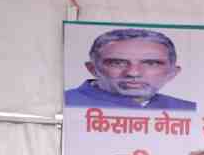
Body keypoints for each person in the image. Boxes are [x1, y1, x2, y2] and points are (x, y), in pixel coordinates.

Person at [64, 28, 196, 110]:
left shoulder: (188, 109)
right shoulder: (65, 103)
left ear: (172, 73)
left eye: (151, 63)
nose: (133, 73)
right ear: (92, 69)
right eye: (117, 63)